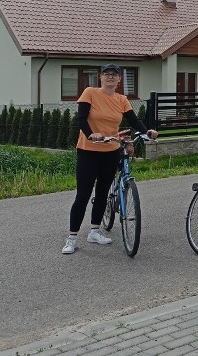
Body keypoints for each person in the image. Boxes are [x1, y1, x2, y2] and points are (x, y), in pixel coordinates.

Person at [62, 64, 158, 255]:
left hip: (111, 151)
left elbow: (133, 120)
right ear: (101, 77)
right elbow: (81, 119)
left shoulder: (122, 99)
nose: (111, 77)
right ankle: (72, 238)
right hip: (89, 150)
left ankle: (94, 231)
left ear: (120, 80)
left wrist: (147, 131)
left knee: (103, 192)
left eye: (115, 75)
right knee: (83, 194)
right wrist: (91, 134)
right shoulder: (90, 92)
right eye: (107, 74)